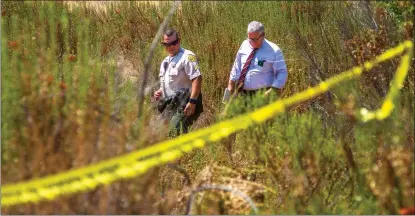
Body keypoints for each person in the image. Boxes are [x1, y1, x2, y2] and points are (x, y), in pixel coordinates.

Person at [154, 28, 203, 137]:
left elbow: (197, 79)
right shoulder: (165, 62)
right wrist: (160, 91)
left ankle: (184, 154)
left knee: (174, 131)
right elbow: (168, 84)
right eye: (167, 44)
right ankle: (188, 153)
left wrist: (192, 102)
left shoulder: (187, 57)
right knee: (159, 134)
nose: (170, 46)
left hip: (186, 103)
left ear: (179, 41)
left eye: (173, 43)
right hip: (171, 104)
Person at [223, 21, 288, 102]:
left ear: (263, 35)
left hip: (264, 95)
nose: (252, 42)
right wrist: (230, 87)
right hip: (243, 95)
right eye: (250, 39)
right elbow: (236, 67)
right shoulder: (244, 45)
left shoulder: (274, 50)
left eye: (255, 39)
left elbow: (282, 73)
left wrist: (271, 92)